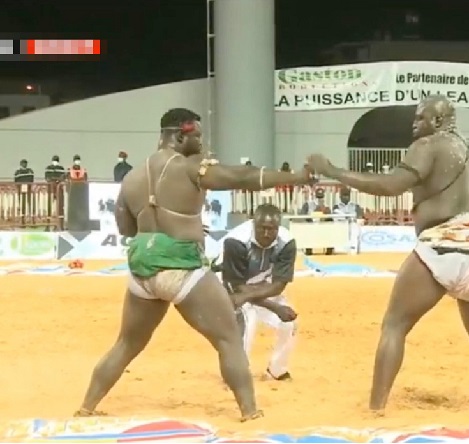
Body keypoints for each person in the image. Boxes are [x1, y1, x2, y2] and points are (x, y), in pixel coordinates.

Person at [75, 108, 314, 421]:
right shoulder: (190, 167)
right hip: (182, 267)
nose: (202, 143)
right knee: (229, 339)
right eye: (197, 136)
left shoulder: (132, 178)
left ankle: (87, 407)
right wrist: (295, 177)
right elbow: (241, 177)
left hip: (142, 269)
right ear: (179, 135)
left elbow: (126, 227)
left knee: (126, 343)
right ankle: (250, 411)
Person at [307, 95, 469, 416]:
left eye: (420, 118)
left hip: (444, 244)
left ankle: (375, 409)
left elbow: (391, 185)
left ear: (437, 121)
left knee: (394, 325)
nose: (414, 125)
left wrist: (333, 171)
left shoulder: (428, 145)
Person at [214, 204, 298, 381]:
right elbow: (236, 287)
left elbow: (279, 285)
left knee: (289, 323)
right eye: (262, 228)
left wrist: (272, 305)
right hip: (230, 289)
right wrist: (275, 307)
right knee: (247, 321)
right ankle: (237, 373)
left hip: (260, 289)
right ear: (253, 224)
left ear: (279, 227)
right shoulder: (236, 241)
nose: (266, 234)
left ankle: (277, 370)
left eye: (272, 229)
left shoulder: (286, 243)